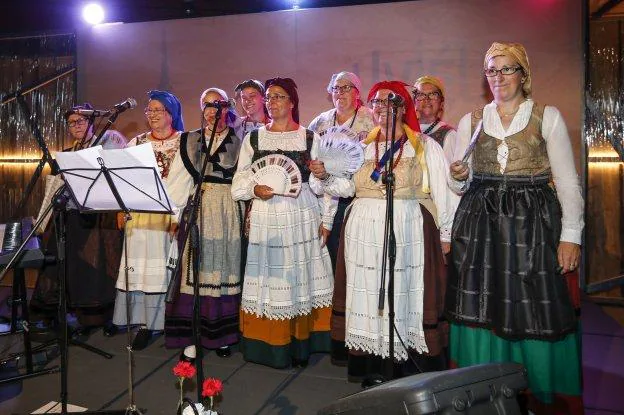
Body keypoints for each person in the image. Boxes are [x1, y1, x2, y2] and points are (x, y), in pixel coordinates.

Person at [445, 42, 584, 415]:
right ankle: (486, 385)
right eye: (492, 70)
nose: (499, 77)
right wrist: (459, 174)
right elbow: (460, 184)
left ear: (523, 74)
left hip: (532, 225)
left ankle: (536, 388)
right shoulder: (470, 121)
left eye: (507, 69)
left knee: (533, 303)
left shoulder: (545, 117)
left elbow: (568, 182)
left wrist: (571, 235)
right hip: (482, 226)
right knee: (483, 302)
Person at [311, 81, 458, 386]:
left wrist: (445, 235)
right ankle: (375, 367)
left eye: (389, 103)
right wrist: (326, 175)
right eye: (376, 103)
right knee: (368, 295)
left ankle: (406, 365)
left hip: (408, 229)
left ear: (404, 108)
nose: (381, 109)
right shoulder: (361, 147)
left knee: (404, 291)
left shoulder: (424, 146)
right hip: (363, 231)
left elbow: (444, 192)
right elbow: (347, 187)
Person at [231, 77, 334, 369]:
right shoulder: (254, 138)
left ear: (292, 103)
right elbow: (238, 182)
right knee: (272, 279)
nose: (272, 102)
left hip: (302, 213)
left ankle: (303, 343)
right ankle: (271, 345)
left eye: (278, 96)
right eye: (269, 97)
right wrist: (254, 189)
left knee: (301, 274)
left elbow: (323, 183)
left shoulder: (310, 137)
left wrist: (326, 218)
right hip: (267, 215)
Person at [30, 104, 127, 337]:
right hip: (70, 215)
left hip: (98, 217)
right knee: (64, 263)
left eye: (81, 121)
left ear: (92, 122)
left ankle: (97, 318)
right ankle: (56, 313)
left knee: (96, 267)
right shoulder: (66, 153)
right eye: (72, 122)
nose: (76, 126)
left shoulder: (106, 144)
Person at [165, 87, 243, 357]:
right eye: (207, 105)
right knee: (195, 274)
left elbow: (245, 181)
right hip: (198, 207)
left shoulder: (241, 140)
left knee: (223, 271)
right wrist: (174, 217)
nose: (212, 111)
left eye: (218, 105)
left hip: (228, 209)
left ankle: (221, 335)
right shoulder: (189, 140)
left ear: (227, 109)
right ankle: (193, 336)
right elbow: (177, 182)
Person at [112, 90, 189, 350]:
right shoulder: (137, 143)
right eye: (149, 110)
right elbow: (122, 178)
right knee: (139, 269)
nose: (152, 114)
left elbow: (188, 183)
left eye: (158, 110)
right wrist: (121, 209)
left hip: (168, 216)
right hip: (139, 216)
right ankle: (143, 323)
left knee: (161, 271)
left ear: (172, 114)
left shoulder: (184, 142)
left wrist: (178, 216)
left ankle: (164, 322)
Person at [308, 71, 375, 365]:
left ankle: (363, 334)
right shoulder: (320, 122)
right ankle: (340, 336)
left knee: (359, 268)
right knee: (336, 268)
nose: (341, 92)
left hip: (359, 200)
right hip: (327, 200)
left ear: (358, 92)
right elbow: (309, 160)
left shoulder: (371, 120)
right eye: (336, 87)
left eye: (347, 88)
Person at [412, 76, 457, 162]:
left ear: (441, 103)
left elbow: (450, 173)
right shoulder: (405, 131)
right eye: (421, 95)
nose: (427, 99)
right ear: (414, 103)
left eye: (433, 95)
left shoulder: (449, 135)